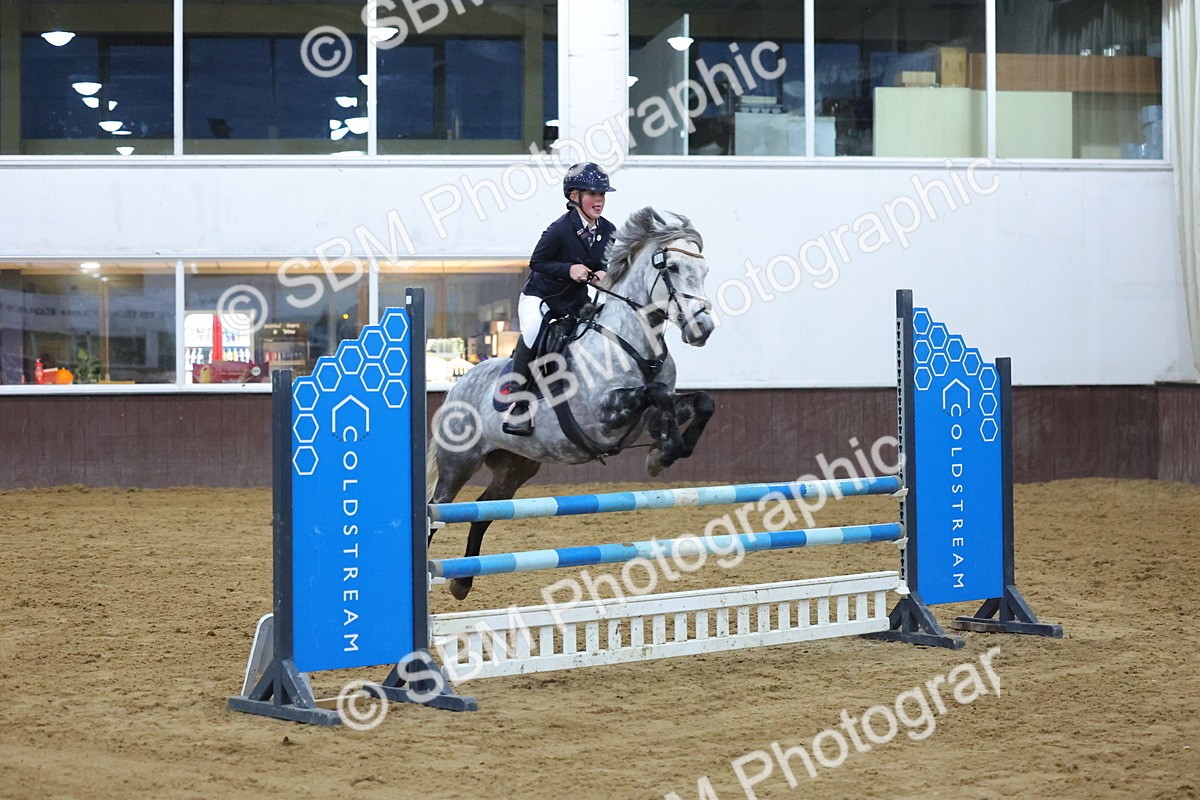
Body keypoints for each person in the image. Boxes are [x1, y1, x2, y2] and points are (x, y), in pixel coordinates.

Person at [501, 162, 616, 436]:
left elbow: (607, 263)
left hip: (575, 300)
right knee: (532, 331)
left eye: (602, 195)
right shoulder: (559, 229)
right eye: (592, 194)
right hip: (541, 297)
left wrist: (604, 273)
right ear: (574, 196)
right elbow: (537, 262)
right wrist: (568, 269)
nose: (599, 200)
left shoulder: (609, 229)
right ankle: (517, 400)